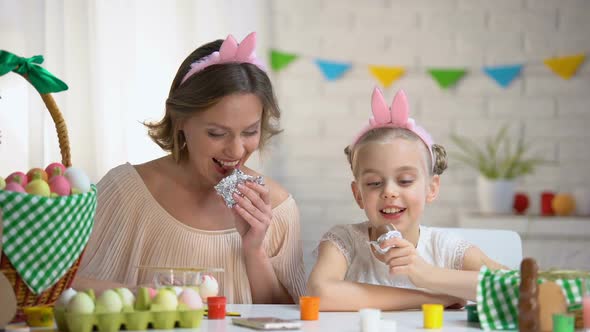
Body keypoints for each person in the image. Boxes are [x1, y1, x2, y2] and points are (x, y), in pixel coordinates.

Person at [73, 32, 305, 304]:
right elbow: (59, 285)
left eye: (250, 131)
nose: (237, 150)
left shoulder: (278, 209)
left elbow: (291, 320)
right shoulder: (125, 191)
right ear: (180, 120)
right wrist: (140, 296)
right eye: (217, 133)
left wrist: (255, 251)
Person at [307, 88, 505, 311]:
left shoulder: (445, 249)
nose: (389, 192)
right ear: (358, 195)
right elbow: (319, 293)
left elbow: (517, 286)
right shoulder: (345, 241)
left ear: (431, 188)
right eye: (374, 183)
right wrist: (431, 298)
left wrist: (428, 275)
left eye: (405, 180)